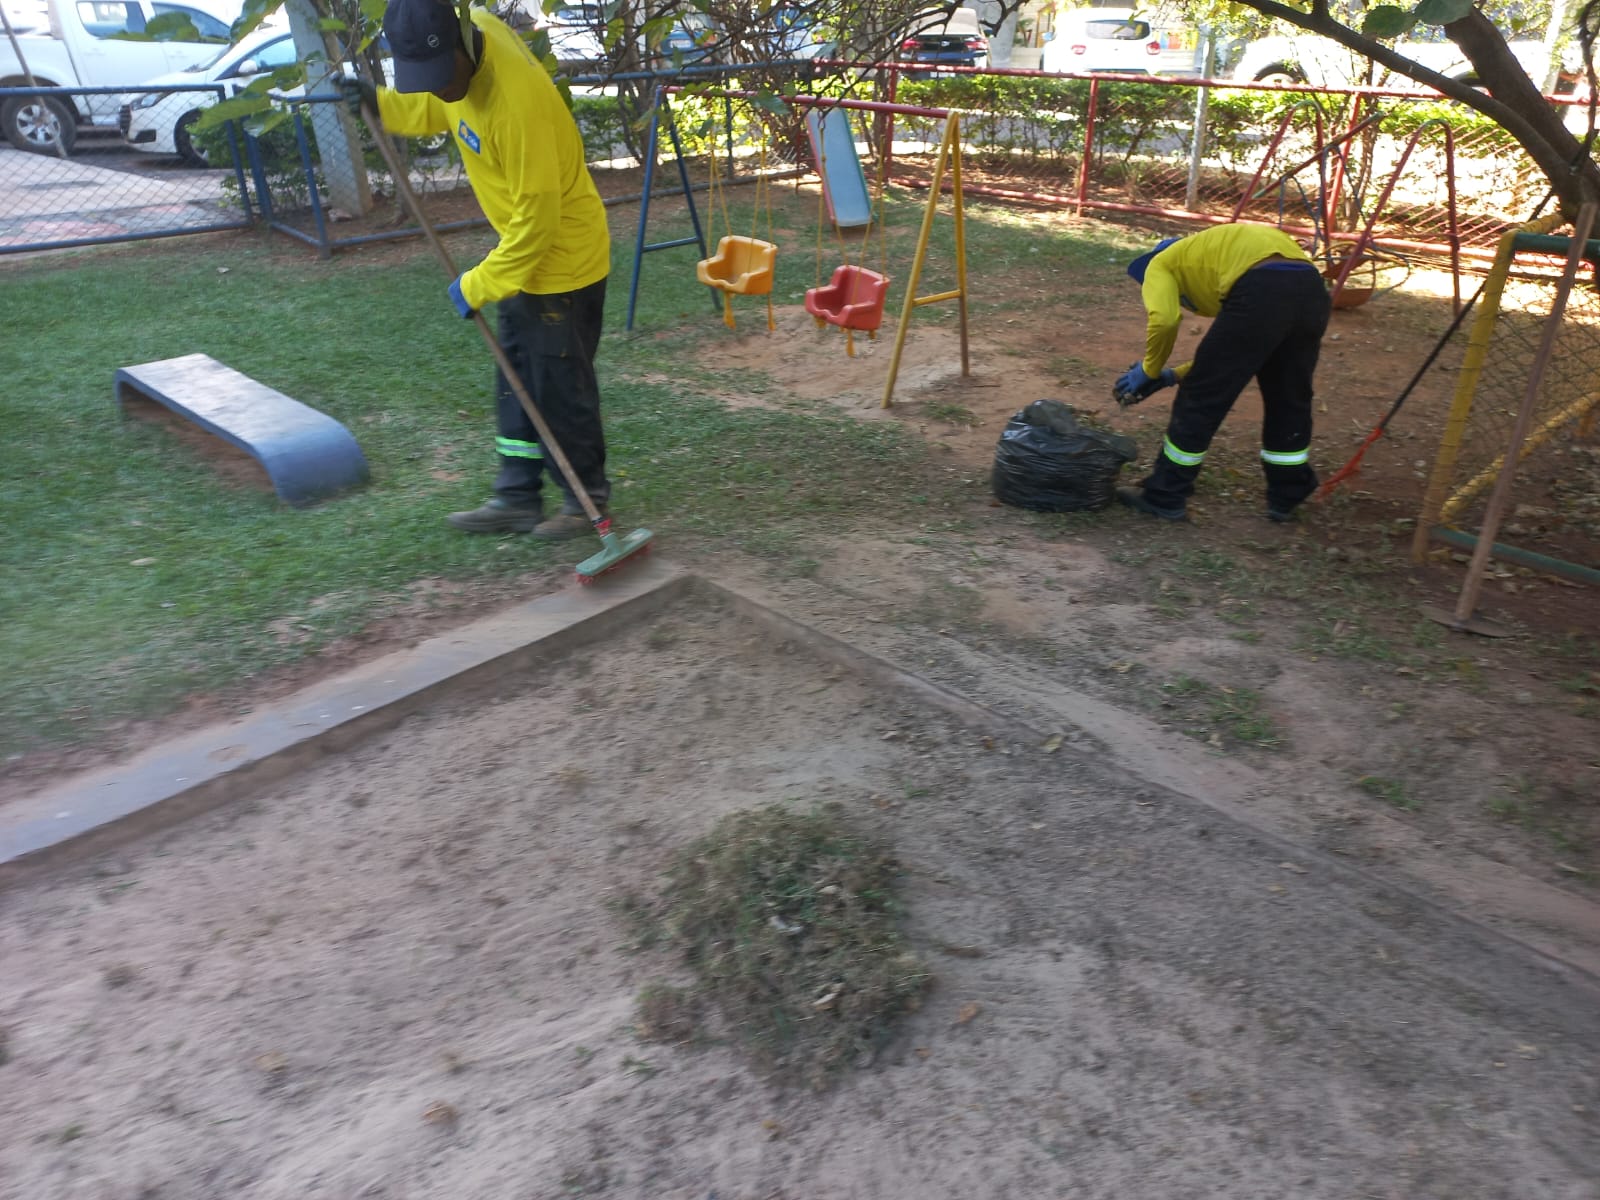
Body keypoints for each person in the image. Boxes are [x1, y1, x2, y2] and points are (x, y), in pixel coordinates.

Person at [344, 0, 611, 538]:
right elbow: (438, 107)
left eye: (445, 77)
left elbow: (538, 225)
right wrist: (383, 104)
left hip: (563, 264)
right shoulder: (468, 44)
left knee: (560, 388)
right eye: (427, 78)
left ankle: (586, 503)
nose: (442, 89)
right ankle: (517, 495)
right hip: (520, 260)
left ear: (465, 42)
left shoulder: (517, 107)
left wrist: (477, 284)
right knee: (515, 379)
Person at [1112, 223, 1331, 523]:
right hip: (1311, 290)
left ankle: (1165, 494)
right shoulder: (1222, 254)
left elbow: (1164, 321)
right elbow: (1234, 356)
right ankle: (1287, 494)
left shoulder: (1160, 263)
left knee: (1201, 398)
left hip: (1263, 290)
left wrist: (1149, 370)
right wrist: (1171, 376)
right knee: (1288, 395)